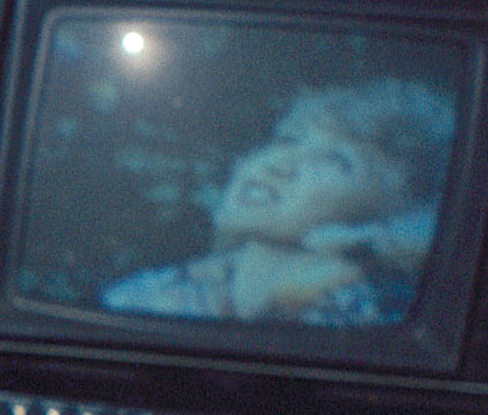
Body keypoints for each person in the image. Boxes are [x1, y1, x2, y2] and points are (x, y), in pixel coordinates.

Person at [102, 78, 453, 326]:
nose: (280, 164)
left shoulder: (364, 315)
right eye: (288, 141)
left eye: (334, 161)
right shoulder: (150, 291)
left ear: (387, 215)